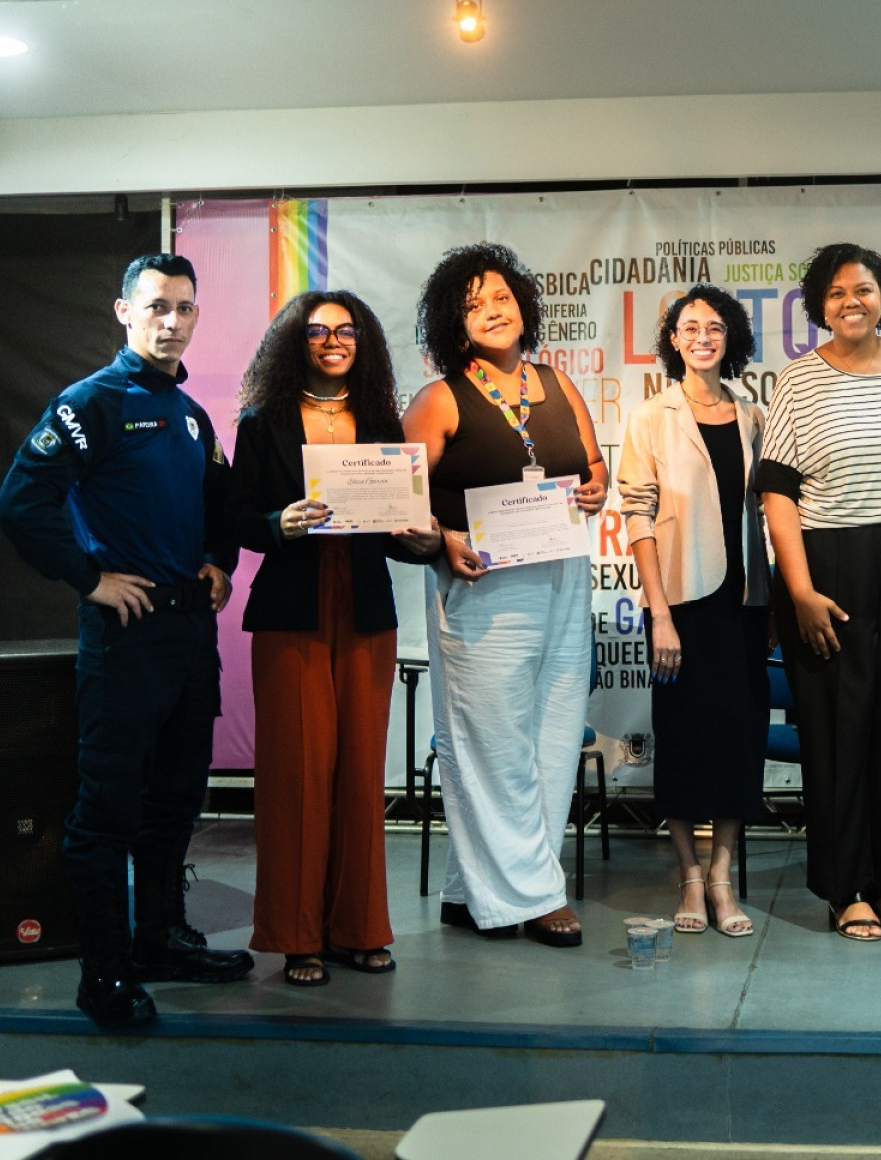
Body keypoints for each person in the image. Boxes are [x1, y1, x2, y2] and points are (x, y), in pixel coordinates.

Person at [0, 253, 252, 1028]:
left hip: (186, 634)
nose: (171, 322)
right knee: (106, 814)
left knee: (173, 804)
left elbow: (219, 503)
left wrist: (220, 561)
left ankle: (160, 940)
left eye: (184, 308)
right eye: (157, 307)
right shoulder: (91, 404)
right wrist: (88, 578)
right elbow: (20, 504)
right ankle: (103, 976)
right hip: (125, 635)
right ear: (124, 312)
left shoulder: (190, 415)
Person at [753, 242, 881, 943]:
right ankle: (843, 889)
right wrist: (800, 590)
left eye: (864, 289)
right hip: (831, 567)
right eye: (837, 292)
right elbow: (778, 494)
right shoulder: (800, 381)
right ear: (819, 305)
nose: (852, 301)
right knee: (840, 732)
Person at [401, 243, 608, 948]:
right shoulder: (439, 399)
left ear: (524, 305)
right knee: (492, 743)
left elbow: (595, 465)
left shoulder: (557, 384)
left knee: (551, 738)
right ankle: (535, 895)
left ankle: (475, 889)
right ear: (453, 329)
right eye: (473, 304)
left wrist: (597, 486)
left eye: (501, 297)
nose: (493, 310)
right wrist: (443, 538)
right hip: (484, 586)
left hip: (562, 573)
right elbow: (401, 506)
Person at [233, 290, 442, 986]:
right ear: (297, 340)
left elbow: (397, 532)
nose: (332, 340)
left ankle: (358, 929)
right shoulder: (262, 423)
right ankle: (297, 936)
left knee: (358, 773)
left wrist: (422, 539)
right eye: (318, 330)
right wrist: (275, 526)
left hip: (364, 614)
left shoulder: (383, 420)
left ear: (363, 341)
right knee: (296, 775)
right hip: (292, 611)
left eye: (345, 330)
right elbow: (236, 516)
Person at [617, 286, 768, 938]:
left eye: (714, 326)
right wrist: (659, 614)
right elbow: (637, 515)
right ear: (673, 340)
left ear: (729, 337)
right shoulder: (653, 416)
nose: (702, 336)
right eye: (689, 327)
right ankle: (686, 875)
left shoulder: (754, 414)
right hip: (682, 601)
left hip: (746, 602)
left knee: (739, 741)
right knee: (682, 740)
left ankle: (723, 876)